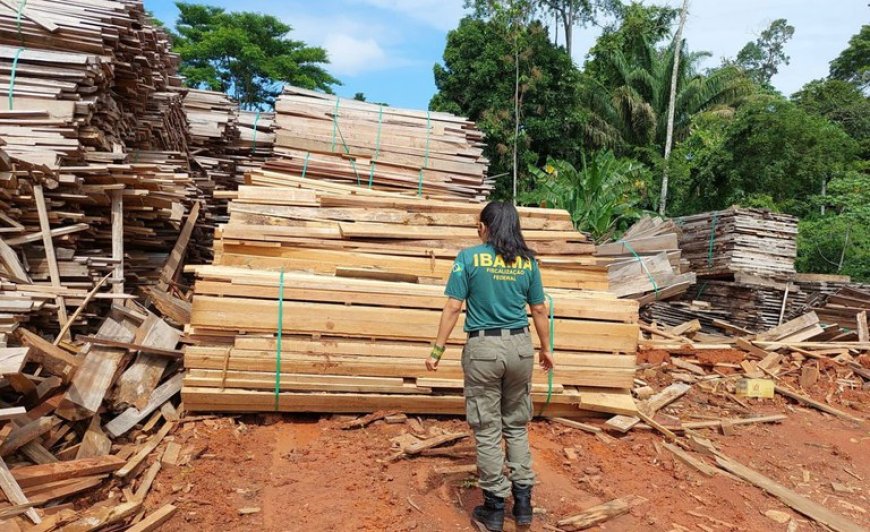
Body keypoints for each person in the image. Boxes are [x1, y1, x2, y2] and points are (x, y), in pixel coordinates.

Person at [425, 201, 555, 532]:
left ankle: (495, 508)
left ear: (485, 227)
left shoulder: (468, 258)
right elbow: (539, 309)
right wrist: (547, 349)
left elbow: (454, 307)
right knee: (515, 424)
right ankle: (523, 504)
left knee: (487, 429)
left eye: (477, 225)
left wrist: (437, 350)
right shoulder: (528, 262)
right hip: (521, 348)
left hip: (484, 348)